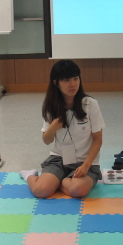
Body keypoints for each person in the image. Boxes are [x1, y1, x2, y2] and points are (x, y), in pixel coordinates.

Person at [20, 59, 104, 198]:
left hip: (86, 161)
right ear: (56, 82)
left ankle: (58, 181)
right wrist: (52, 128)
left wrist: (86, 165)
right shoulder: (51, 106)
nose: (73, 84)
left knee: (78, 190)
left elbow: (98, 140)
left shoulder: (90, 104)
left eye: (76, 78)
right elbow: (46, 140)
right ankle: (30, 175)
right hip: (59, 159)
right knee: (41, 191)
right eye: (66, 80)